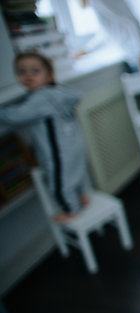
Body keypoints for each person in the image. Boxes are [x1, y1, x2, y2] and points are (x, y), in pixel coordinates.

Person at [0, 52, 88, 222]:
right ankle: (83, 196)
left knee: (59, 183)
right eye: (22, 71)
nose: (28, 76)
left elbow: (17, 115)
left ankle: (71, 210)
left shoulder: (40, 98)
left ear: (49, 75)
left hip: (59, 153)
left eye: (35, 71)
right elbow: (77, 96)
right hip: (74, 145)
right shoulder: (59, 92)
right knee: (76, 172)